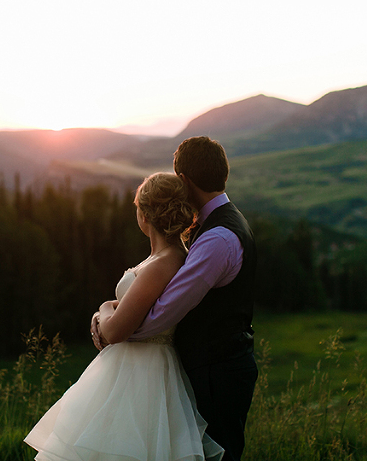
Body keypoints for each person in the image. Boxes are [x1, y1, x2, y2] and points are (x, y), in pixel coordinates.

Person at [24, 172, 224, 461]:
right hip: (135, 365)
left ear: (145, 215)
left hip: (141, 373)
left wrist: (104, 308)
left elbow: (114, 332)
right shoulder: (167, 258)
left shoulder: (165, 261)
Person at [93, 136, 258, 461]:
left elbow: (166, 313)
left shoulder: (217, 239)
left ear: (183, 180)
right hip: (213, 366)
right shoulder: (218, 225)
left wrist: (111, 329)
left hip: (217, 372)